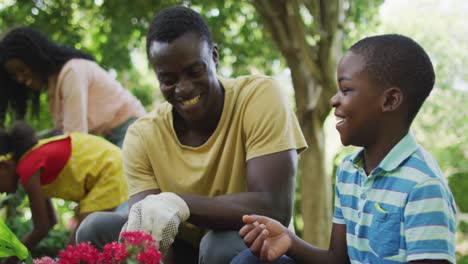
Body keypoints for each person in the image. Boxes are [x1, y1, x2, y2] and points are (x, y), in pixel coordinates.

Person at [76, 5, 307, 264]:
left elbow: (274, 206)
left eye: (195, 72)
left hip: (248, 248)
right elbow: (147, 234)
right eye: (168, 79)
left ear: (215, 56)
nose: (184, 88)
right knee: (93, 229)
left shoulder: (258, 96)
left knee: (216, 246)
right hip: (183, 251)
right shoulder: (143, 135)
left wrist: (179, 204)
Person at [233, 34, 457, 264]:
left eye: (346, 90)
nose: (333, 100)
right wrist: (289, 240)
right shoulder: (349, 170)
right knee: (249, 260)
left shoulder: (424, 185)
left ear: (390, 101)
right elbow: (338, 259)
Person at [0, 121, 128, 262]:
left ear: (4, 165)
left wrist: (8, 261)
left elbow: (41, 228)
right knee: (79, 249)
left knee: (75, 250)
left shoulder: (28, 168)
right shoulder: (33, 160)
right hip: (113, 166)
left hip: (108, 171)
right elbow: (49, 222)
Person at [0, 26, 146, 147]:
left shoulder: (72, 72)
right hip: (113, 138)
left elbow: (75, 139)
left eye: (22, 70)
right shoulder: (54, 87)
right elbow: (60, 133)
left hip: (134, 131)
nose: (20, 78)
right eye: (14, 75)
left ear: (35, 59)